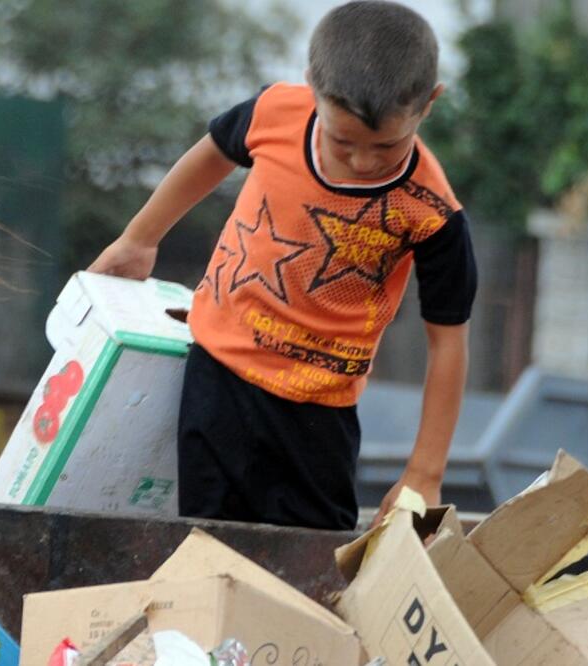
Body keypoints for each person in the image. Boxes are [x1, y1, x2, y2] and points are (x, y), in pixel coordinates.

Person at [88, 0, 477, 530]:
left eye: (386, 145)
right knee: (200, 537)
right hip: (217, 372)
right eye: (343, 141)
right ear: (311, 84)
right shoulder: (274, 113)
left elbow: (448, 341)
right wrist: (140, 238)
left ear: (428, 104)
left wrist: (424, 471)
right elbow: (210, 154)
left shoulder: (432, 212)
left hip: (317, 412)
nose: (363, 161)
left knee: (308, 560)